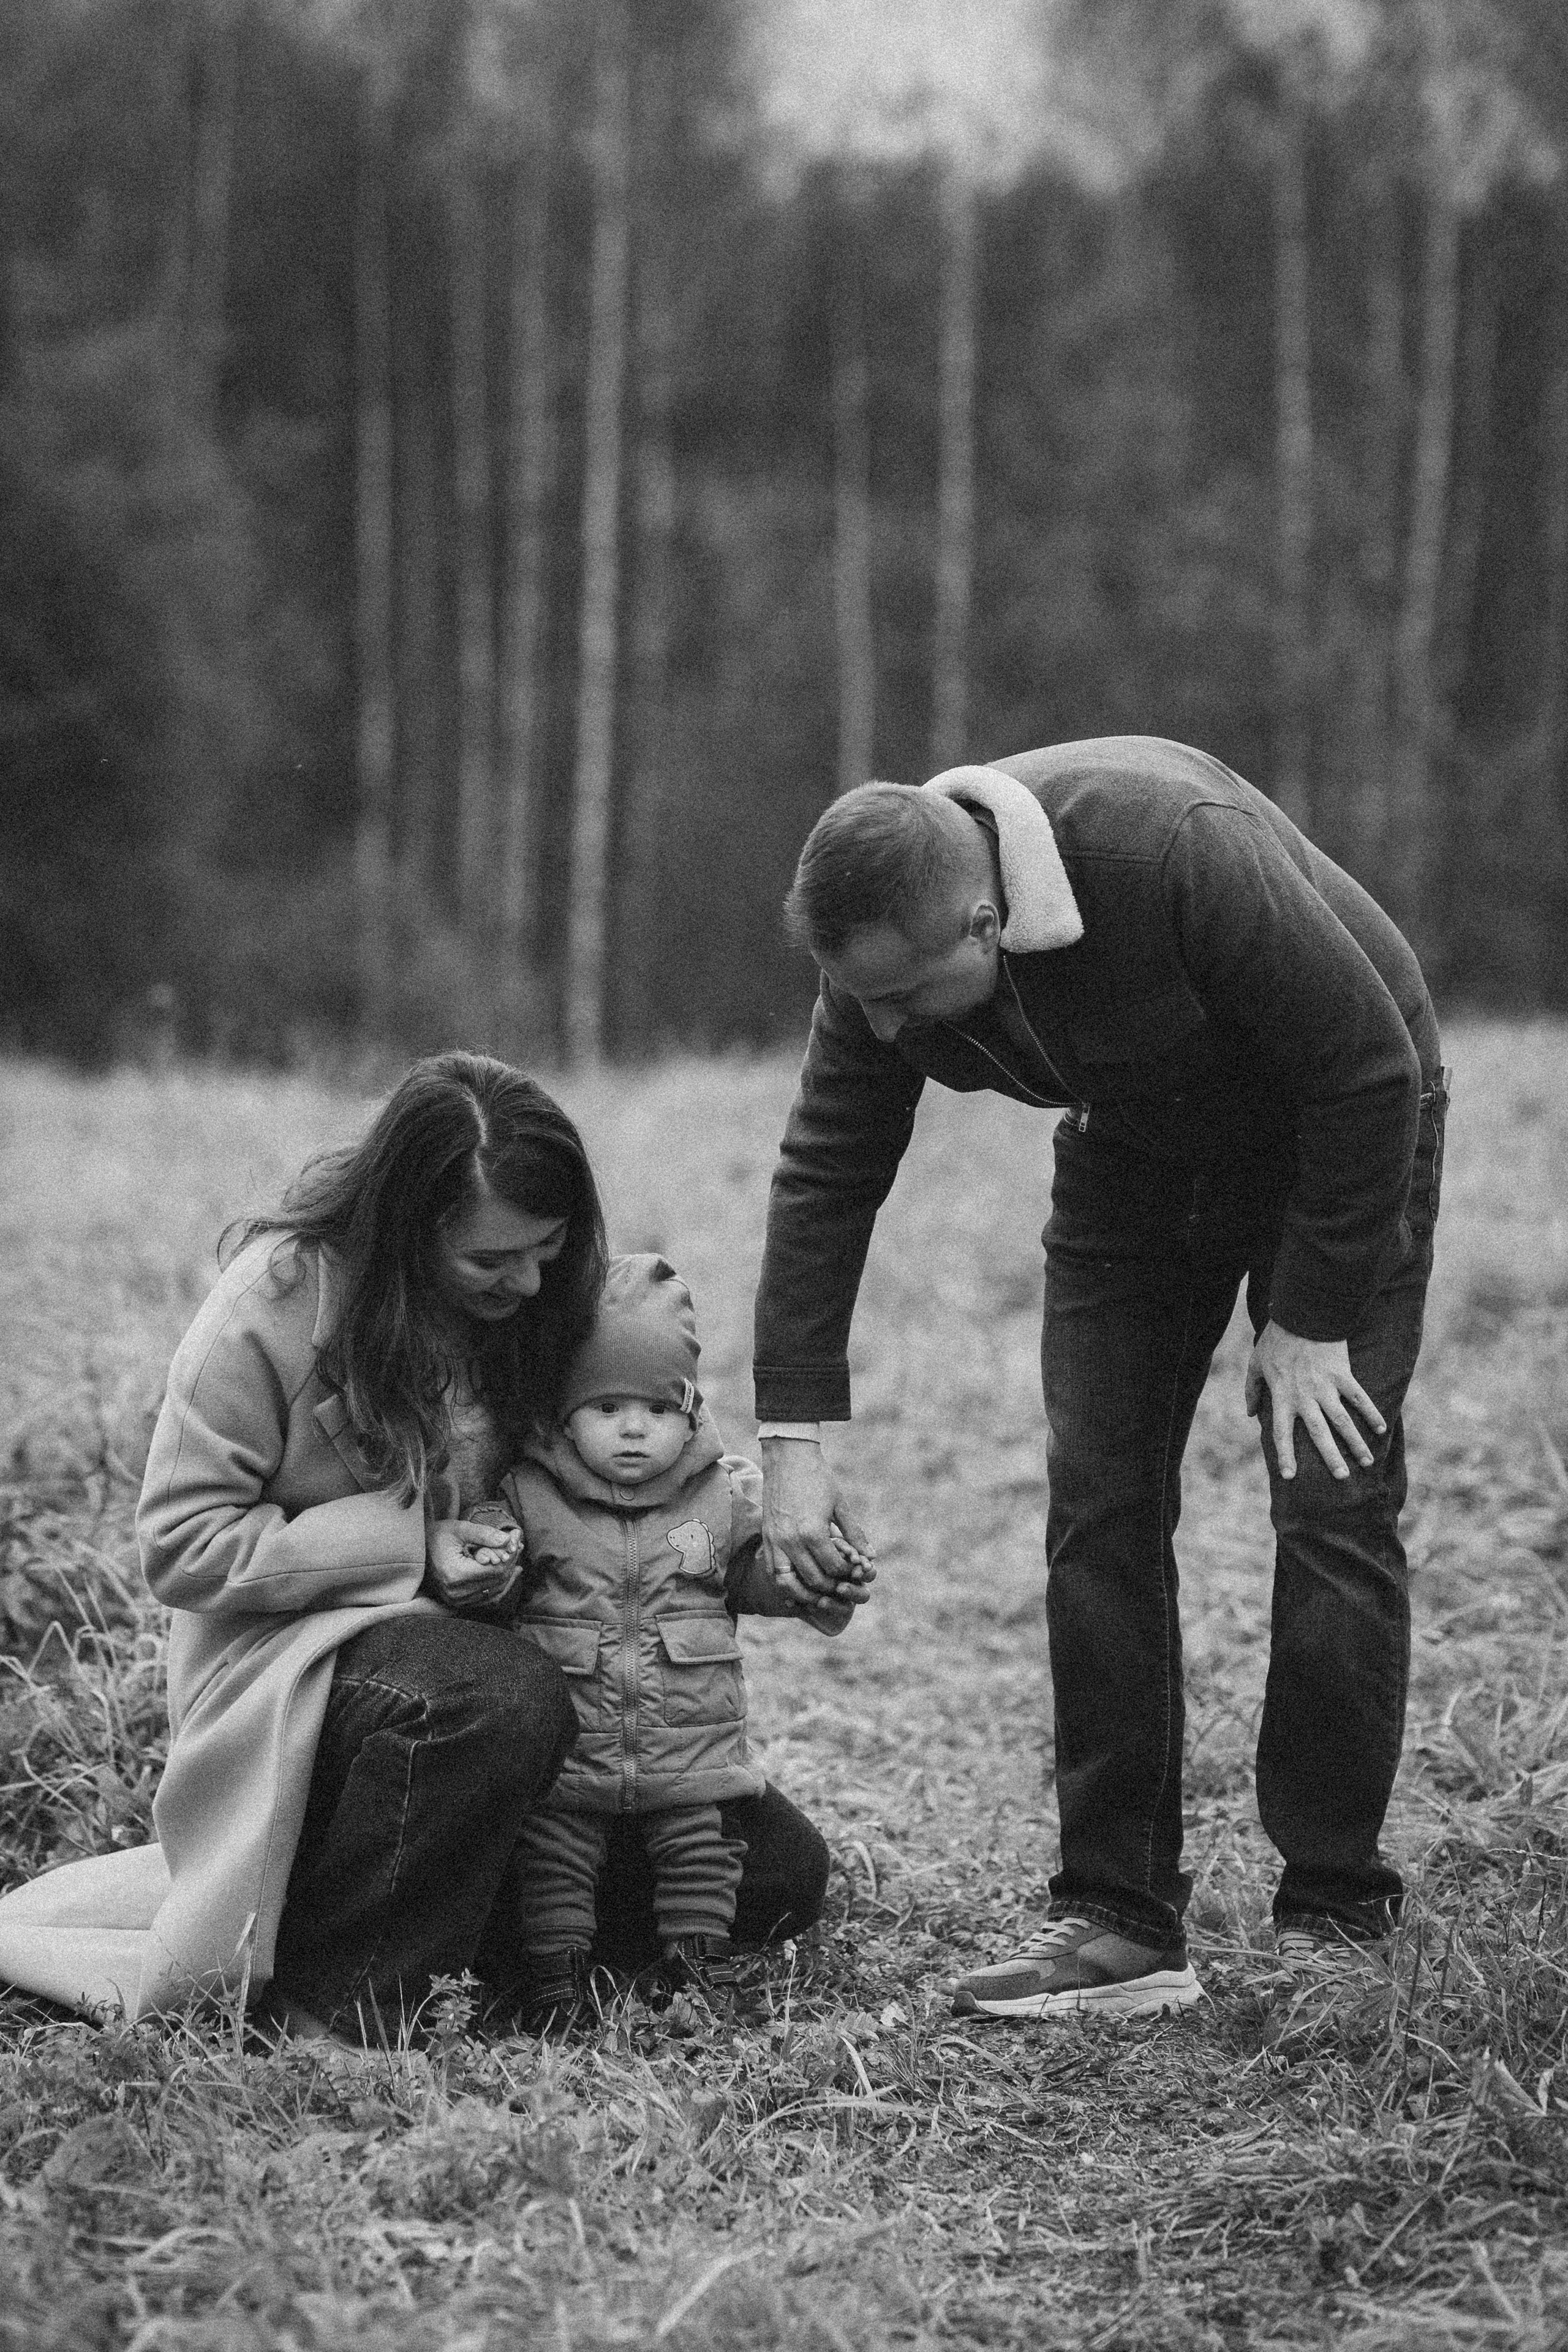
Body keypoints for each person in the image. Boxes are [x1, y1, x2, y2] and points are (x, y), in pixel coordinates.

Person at [753, 739, 1447, 2021]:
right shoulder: (877, 966)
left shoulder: (1165, 848)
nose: (891, 1030)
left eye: (908, 998)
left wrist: (1307, 1319)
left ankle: (1335, 1910)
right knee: (1099, 1501)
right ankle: (1119, 1920)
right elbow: (824, 1176)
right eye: (870, 1006)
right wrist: (793, 1438)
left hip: (1337, 1136)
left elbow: (1366, 1072)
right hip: (1133, 1155)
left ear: (986, 917)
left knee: (1327, 1493)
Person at [0, 1053, 832, 2034]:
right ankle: (342, 2011)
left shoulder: (544, 1301)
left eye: (549, 1249)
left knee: (777, 1870)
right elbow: (182, 1546)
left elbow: (630, 1454)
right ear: (406, 1227)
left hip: (528, 1692)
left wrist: (767, 1541)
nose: (527, 1282)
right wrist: (411, 1547)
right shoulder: (274, 1305)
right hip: (308, 1682)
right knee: (491, 1695)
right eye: (491, 1261)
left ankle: (438, 1929)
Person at [475, 1253, 868, 2030]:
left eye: (655, 1410)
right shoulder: (528, 1496)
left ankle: (697, 1964)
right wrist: (488, 1562)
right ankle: (555, 1975)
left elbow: (749, 1578)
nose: (632, 1428)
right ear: (560, 1415)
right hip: (575, 1753)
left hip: (689, 1747)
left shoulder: (720, 1497)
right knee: (554, 1859)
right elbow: (498, 1588)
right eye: (605, 1407)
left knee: (703, 1854)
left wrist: (805, 1578)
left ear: (688, 1412)